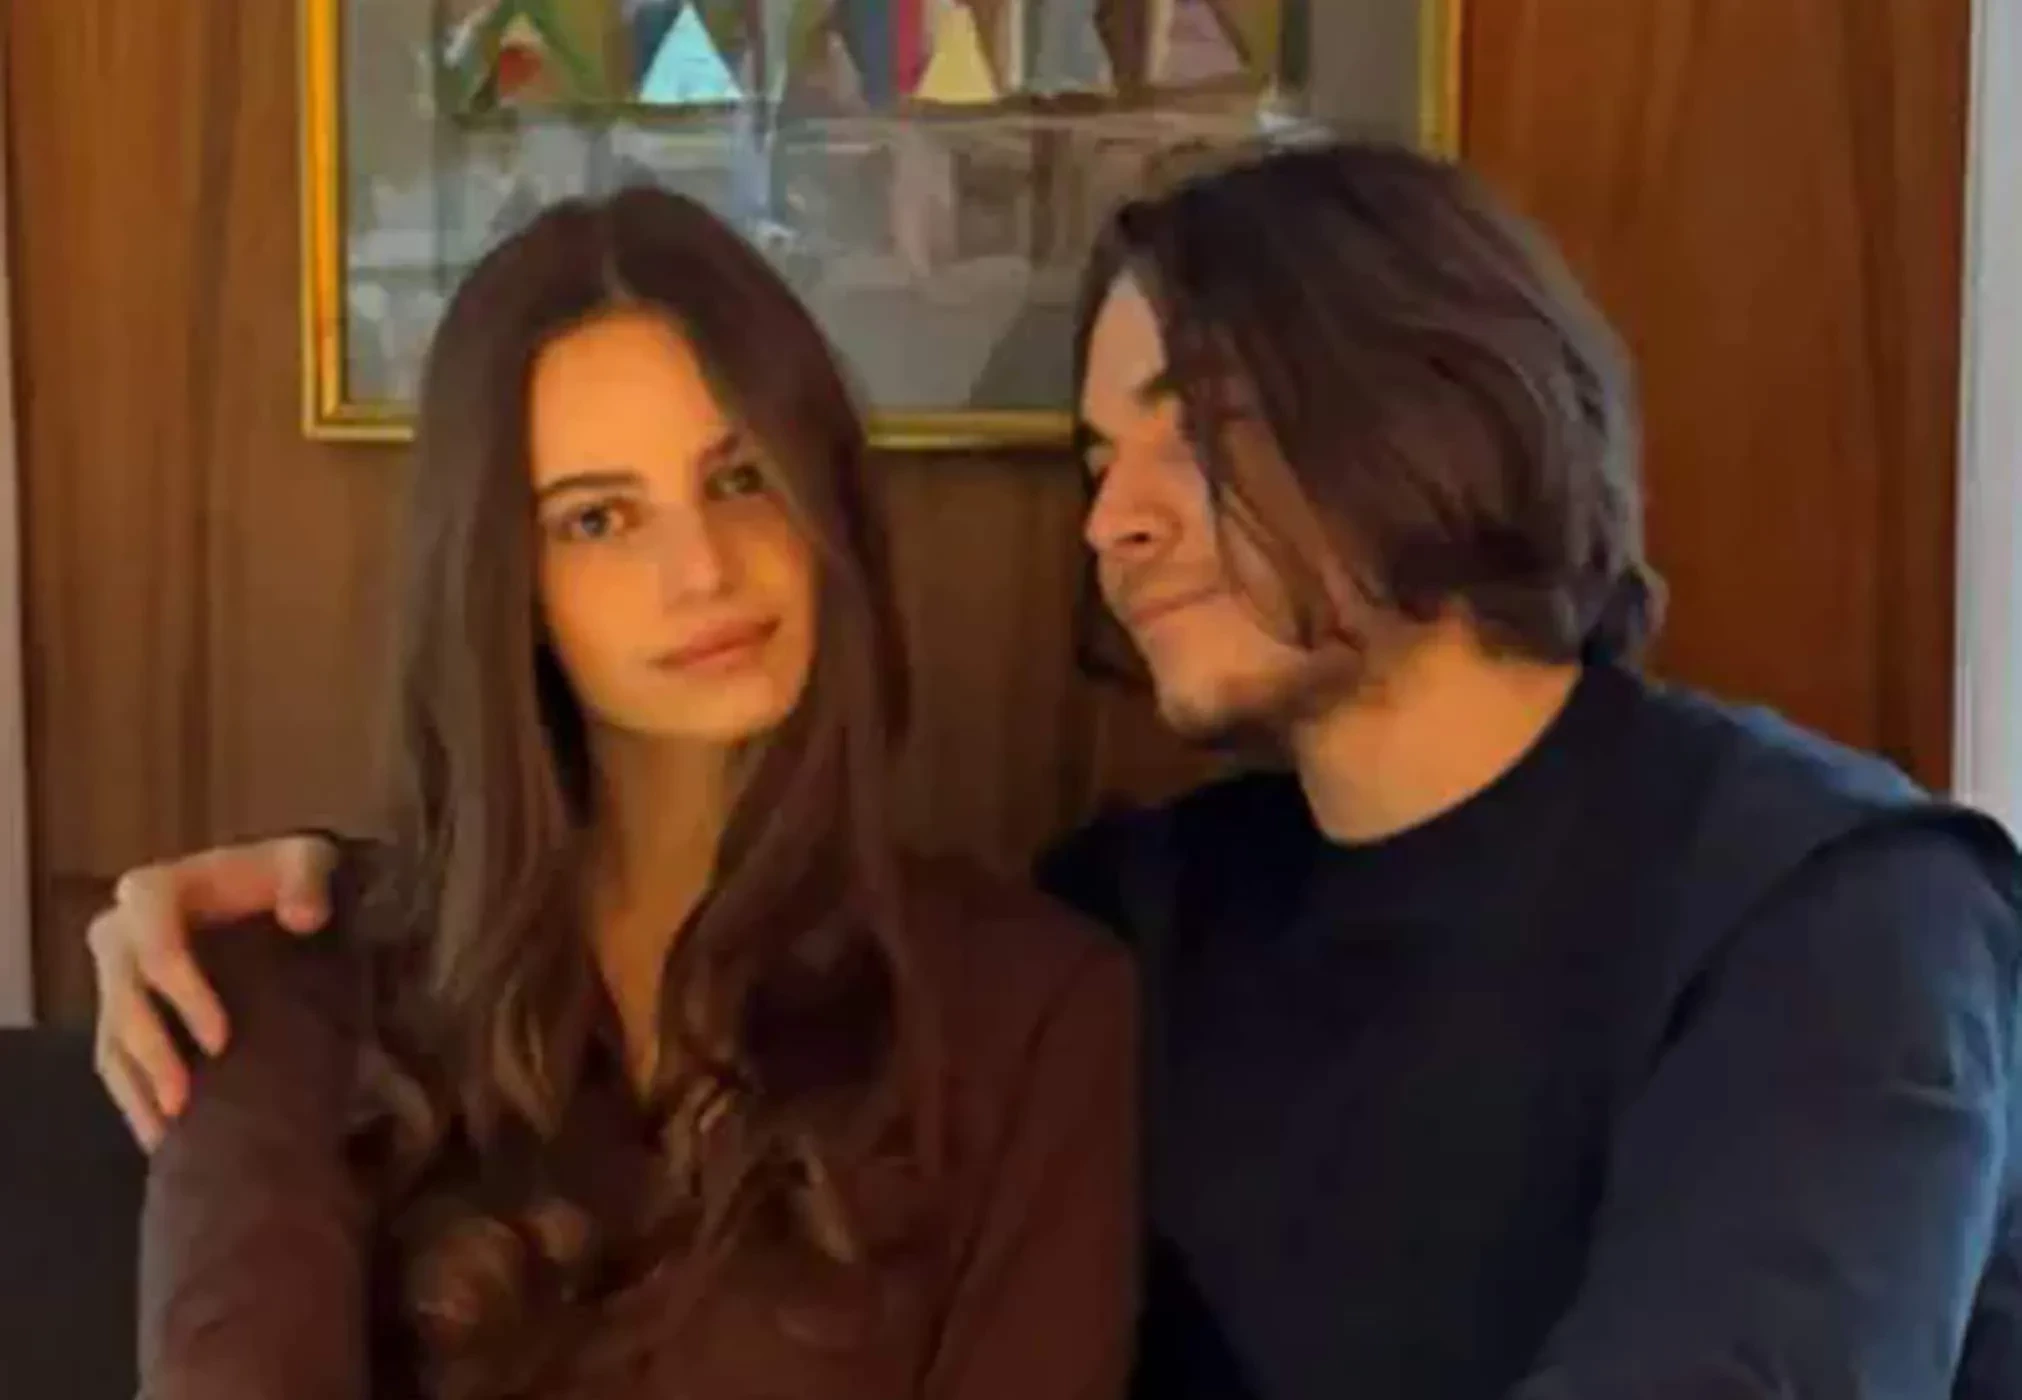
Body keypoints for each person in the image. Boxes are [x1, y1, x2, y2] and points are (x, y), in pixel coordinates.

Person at [89, 143, 2020, 1398]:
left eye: (1191, 429)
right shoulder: (1144, 916)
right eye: (1098, 463)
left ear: (1439, 397)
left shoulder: (1839, 910)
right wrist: (311, 906)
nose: (1112, 521)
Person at [121, 187, 1136, 1400]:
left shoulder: (1030, 1012)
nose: (701, 568)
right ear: (504, 581)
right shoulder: (285, 984)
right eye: (599, 518)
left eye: (742, 476)